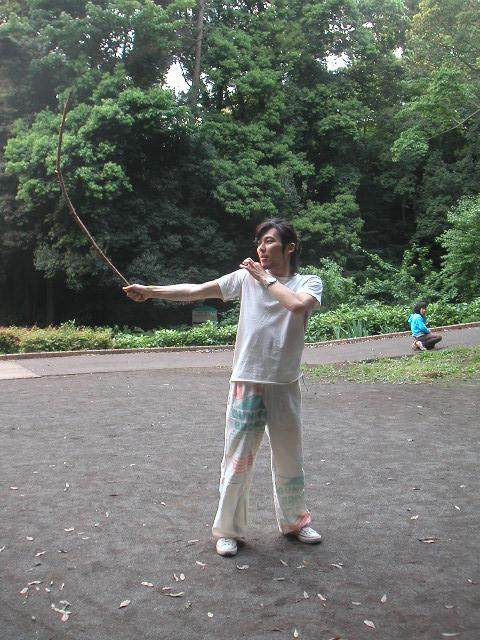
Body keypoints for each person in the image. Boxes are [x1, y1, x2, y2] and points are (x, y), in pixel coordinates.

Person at [123, 217, 323, 557]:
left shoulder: (308, 282)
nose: (261, 248)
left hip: (285, 385)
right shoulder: (245, 279)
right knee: (237, 461)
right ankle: (229, 531)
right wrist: (151, 291)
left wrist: (264, 278)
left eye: (269, 241)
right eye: (259, 242)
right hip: (247, 382)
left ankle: (295, 522)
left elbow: (296, 305)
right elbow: (197, 290)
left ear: (290, 247)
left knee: (290, 458)